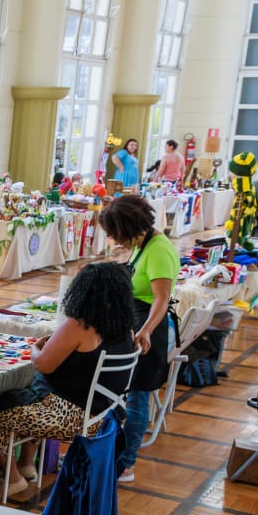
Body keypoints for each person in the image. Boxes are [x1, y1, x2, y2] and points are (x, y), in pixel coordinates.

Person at [0, 262, 137, 498]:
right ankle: (26, 464)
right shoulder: (127, 330)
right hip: (105, 416)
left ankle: (12, 479)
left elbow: (42, 364)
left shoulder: (80, 326)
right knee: (32, 391)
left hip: (69, 417)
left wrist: (37, 348)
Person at [97, 194, 179, 483]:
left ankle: (126, 463)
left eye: (117, 235)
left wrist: (145, 330)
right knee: (128, 393)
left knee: (138, 396)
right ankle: (113, 453)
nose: (116, 241)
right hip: (136, 323)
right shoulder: (144, 245)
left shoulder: (158, 250)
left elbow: (161, 299)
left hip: (150, 328)